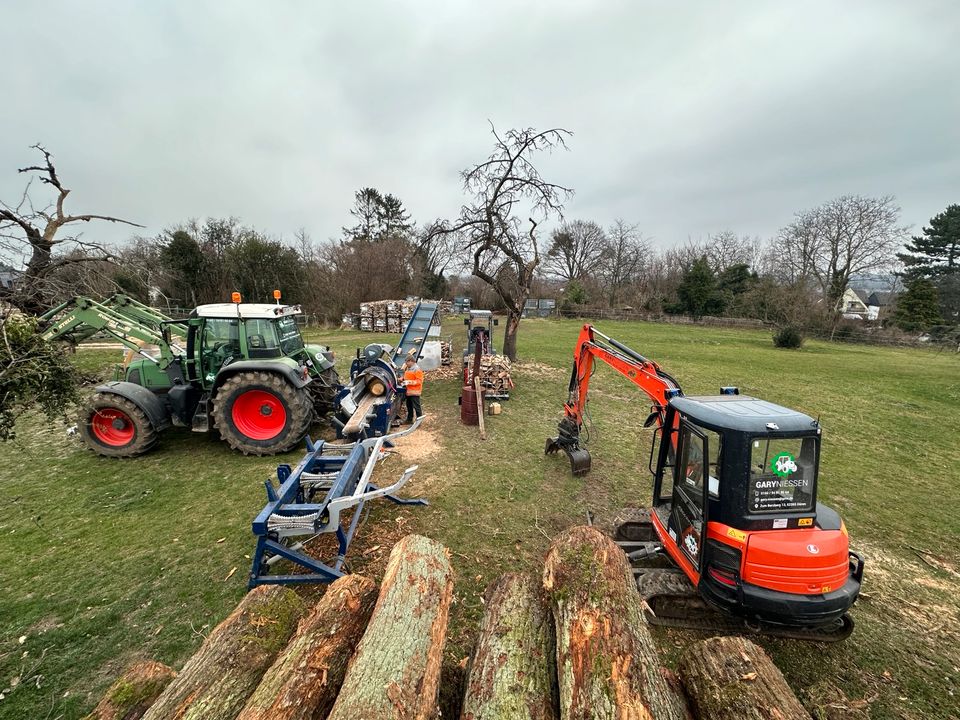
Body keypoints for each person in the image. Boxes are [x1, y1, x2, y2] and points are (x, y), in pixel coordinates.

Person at [401, 353, 424, 424]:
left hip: (415, 392)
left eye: (406, 362)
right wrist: (402, 379)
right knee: (409, 406)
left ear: (411, 361)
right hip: (409, 392)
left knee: (417, 407)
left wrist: (409, 382)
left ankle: (419, 421)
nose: (405, 364)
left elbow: (419, 381)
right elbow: (407, 377)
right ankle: (409, 419)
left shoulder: (417, 369)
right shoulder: (409, 368)